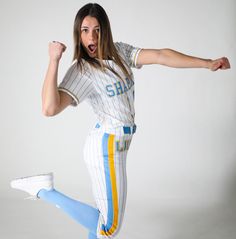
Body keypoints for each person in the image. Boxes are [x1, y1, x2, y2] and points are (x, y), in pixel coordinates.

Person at [10, 3, 230, 239]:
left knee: (100, 222)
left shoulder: (120, 52)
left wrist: (207, 63)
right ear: (78, 34)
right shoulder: (83, 71)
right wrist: (53, 60)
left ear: (106, 30)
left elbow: (161, 55)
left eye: (97, 29)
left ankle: (45, 191)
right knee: (108, 227)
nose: (91, 36)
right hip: (106, 147)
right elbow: (49, 108)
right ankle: (43, 190)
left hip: (117, 146)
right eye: (84, 30)